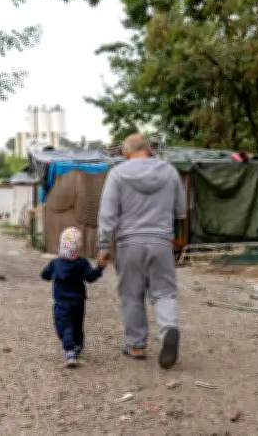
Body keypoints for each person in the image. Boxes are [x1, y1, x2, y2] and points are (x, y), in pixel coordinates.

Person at [96, 134, 186, 369]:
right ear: (149, 149)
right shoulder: (169, 171)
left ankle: (136, 346)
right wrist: (175, 238)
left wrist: (104, 247)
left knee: (132, 294)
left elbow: (107, 215)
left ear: (126, 153)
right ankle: (168, 330)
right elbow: (180, 212)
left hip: (129, 243)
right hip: (161, 241)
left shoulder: (117, 173)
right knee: (164, 292)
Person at [41, 226, 104, 368]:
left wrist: (51, 276)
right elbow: (90, 277)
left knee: (64, 325)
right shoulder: (82, 263)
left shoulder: (55, 263)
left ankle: (69, 351)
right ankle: (78, 344)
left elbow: (44, 275)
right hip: (78, 301)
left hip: (62, 302)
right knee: (77, 324)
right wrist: (99, 267)